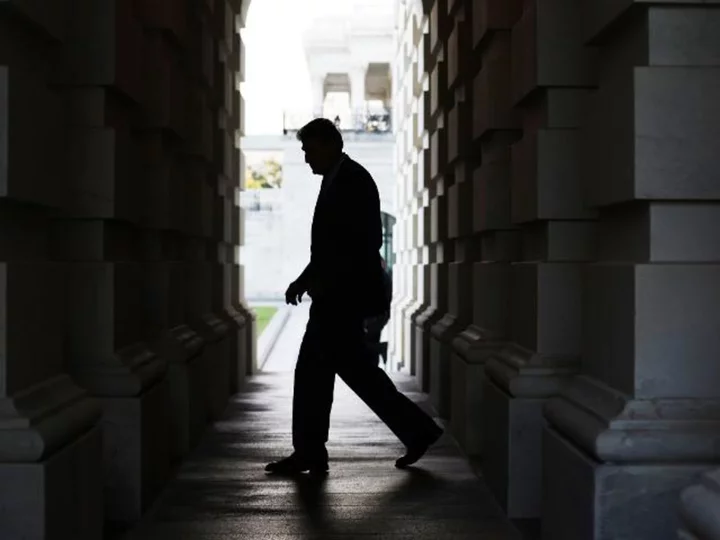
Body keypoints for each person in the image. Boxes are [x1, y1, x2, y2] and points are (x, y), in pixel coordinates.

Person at [265, 118, 443, 475]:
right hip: (336, 299)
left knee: (321, 373)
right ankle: (416, 432)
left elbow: (360, 245)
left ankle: (311, 452)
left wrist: (325, 285)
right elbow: (329, 249)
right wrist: (304, 280)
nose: (305, 158)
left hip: (341, 302)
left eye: (309, 149)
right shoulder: (338, 179)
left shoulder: (352, 181)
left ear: (330, 145)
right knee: (353, 374)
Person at [364, 257, 392, 365]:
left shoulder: (379, 277)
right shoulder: (382, 276)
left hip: (374, 318)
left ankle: (380, 348)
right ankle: (379, 349)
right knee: (370, 343)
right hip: (377, 317)